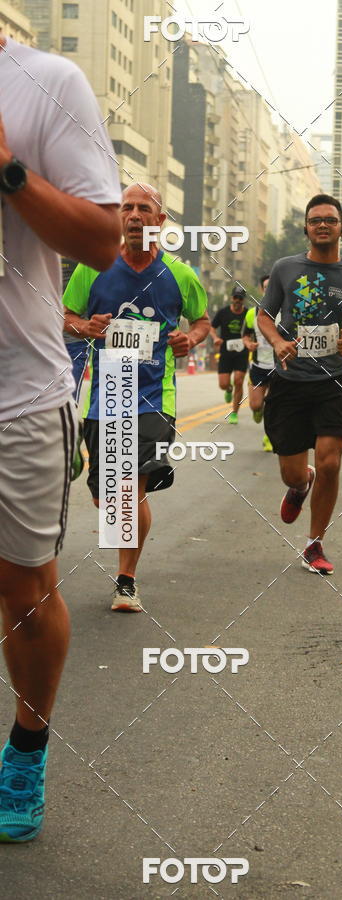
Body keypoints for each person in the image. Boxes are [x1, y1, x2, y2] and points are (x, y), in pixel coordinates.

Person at [0, 35, 121, 842]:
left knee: (25, 596)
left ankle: (27, 747)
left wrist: (8, 169)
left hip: (17, 397)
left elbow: (101, 240)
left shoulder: (46, 83)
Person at [63, 183, 209, 609]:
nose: (133, 215)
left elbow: (200, 322)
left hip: (153, 395)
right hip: (106, 392)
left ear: (160, 221)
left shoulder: (180, 275)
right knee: (107, 495)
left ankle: (126, 579)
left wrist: (189, 340)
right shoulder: (92, 267)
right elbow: (66, 315)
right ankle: (112, 512)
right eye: (126, 207)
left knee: (129, 486)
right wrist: (84, 327)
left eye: (144, 208)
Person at [258, 193, 342, 574]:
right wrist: (277, 341)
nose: (322, 225)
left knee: (329, 462)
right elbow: (264, 315)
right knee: (294, 471)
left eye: (330, 219)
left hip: (334, 382)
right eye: (315, 220)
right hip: (290, 383)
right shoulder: (285, 268)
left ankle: (314, 543)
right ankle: (299, 484)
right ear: (306, 228)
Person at [242, 274, 274, 451]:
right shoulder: (252, 313)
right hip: (258, 366)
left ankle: (269, 437)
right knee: (256, 405)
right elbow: (245, 335)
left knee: (274, 406)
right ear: (262, 289)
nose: (269, 290)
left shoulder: (285, 312)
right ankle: (257, 409)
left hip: (278, 367)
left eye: (272, 286)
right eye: (266, 287)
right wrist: (249, 344)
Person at [210, 286, 249, 424]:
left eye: (240, 298)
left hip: (242, 352)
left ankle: (234, 413)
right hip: (226, 352)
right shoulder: (223, 313)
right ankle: (228, 389)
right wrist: (215, 338)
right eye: (235, 297)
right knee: (223, 384)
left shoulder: (248, 314)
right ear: (232, 298)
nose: (238, 300)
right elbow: (212, 328)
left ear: (243, 300)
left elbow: (254, 330)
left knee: (239, 380)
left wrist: (251, 343)